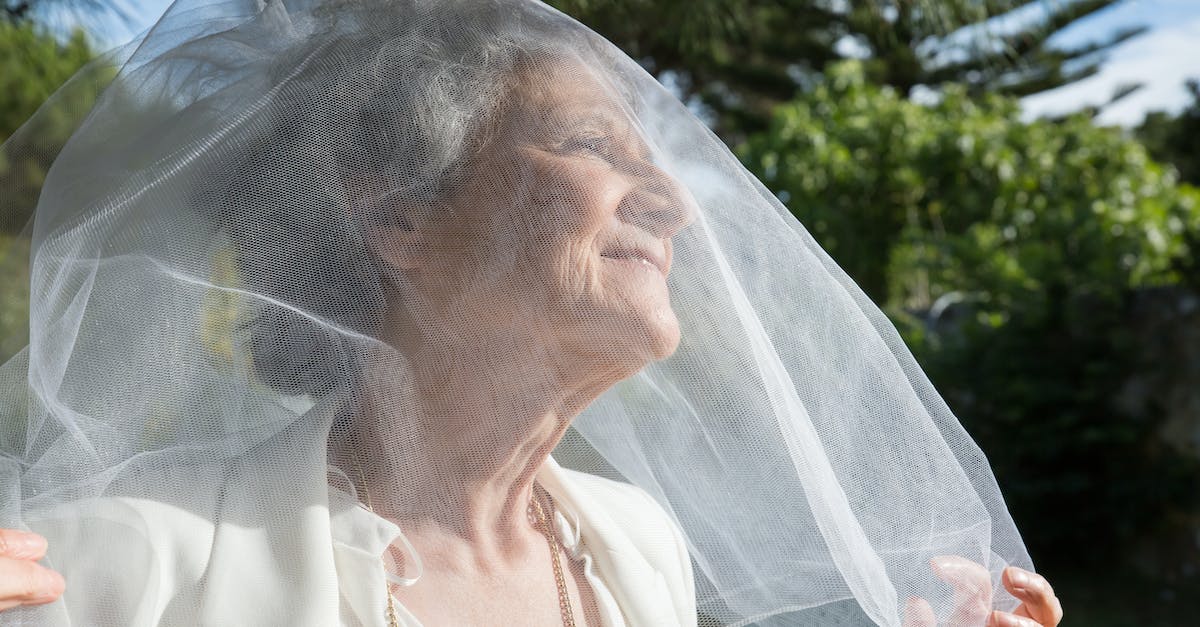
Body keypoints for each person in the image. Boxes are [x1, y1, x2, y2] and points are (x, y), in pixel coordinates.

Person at [0, 0, 1062, 625]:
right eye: (597, 146)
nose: (678, 204)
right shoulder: (116, 563)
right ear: (402, 216)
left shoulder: (638, 551)